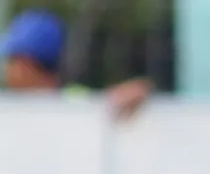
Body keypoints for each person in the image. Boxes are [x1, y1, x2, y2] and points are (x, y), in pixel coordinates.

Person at [1, 8, 153, 118]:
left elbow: (135, 91)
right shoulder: (9, 104)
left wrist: (133, 93)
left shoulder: (74, 102)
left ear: (26, 64)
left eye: (12, 60)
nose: (7, 69)